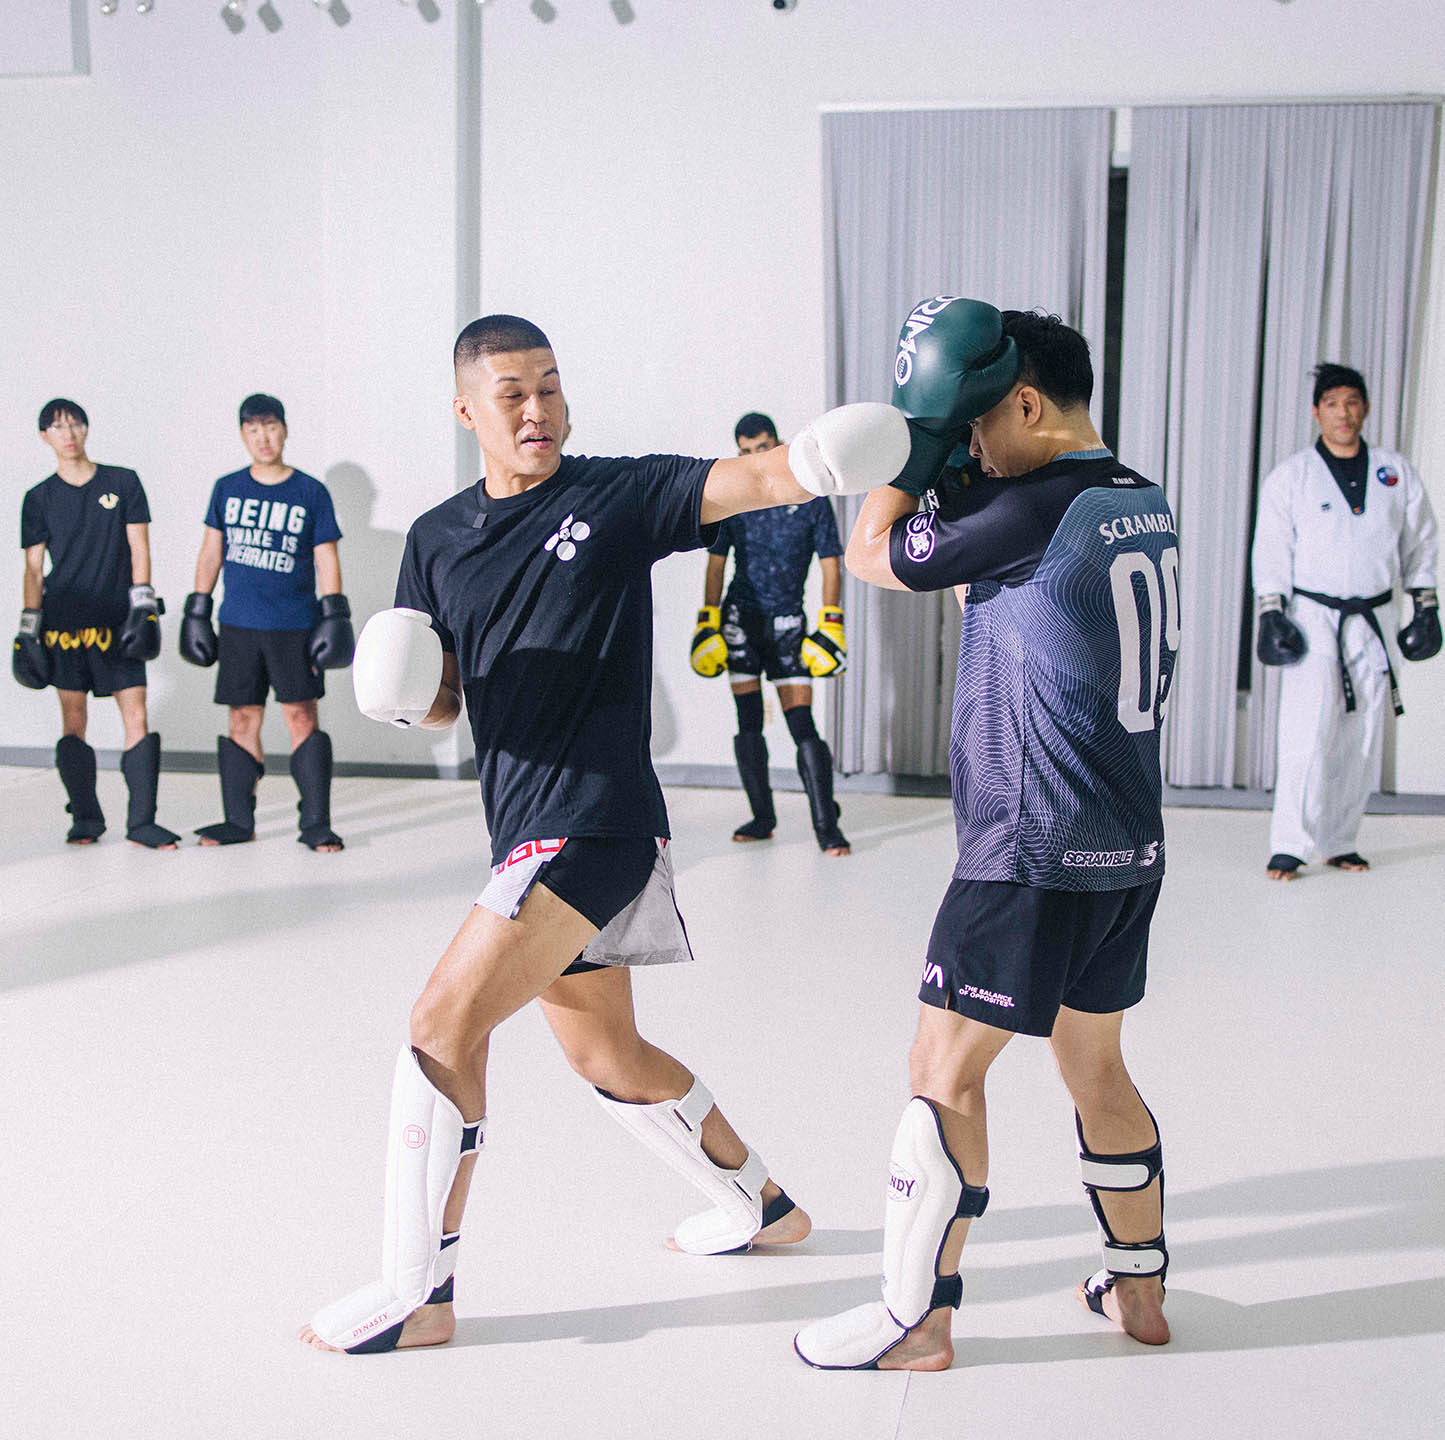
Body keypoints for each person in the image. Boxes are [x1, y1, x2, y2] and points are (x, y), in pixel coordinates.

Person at [298, 313, 909, 1354]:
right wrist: (406, 698)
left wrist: (824, 459)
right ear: (466, 412)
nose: (535, 409)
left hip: (594, 822)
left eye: (548, 386)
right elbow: (444, 703)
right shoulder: (437, 541)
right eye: (510, 394)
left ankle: (418, 1294)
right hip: (523, 828)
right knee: (607, 1053)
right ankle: (759, 1207)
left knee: (441, 1024)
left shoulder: (615, 497)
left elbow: (753, 482)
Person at [794, 300, 1180, 1372]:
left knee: (941, 1068)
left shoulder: (1032, 507)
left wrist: (917, 443)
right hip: (1125, 845)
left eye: (978, 423)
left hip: (1026, 846)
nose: (971, 445)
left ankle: (915, 1322)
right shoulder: (1134, 496)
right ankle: (1138, 1289)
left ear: (1027, 403)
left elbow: (870, 550)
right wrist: (964, 461)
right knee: (1095, 1068)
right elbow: (1005, 586)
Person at [1252, 363, 1439, 881]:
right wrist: (1271, 611)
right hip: (1313, 618)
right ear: (1317, 412)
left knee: (1364, 735)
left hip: (1375, 617)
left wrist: (1425, 604)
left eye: (1352, 402)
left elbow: (1421, 541)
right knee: (1306, 733)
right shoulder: (1292, 476)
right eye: (1332, 403)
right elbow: (1272, 547)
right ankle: (1289, 844)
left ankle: (1340, 840)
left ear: (1366, 408)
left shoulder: (1394, 473)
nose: (1343, 413)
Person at [179, 394, 354, 851]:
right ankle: (239, 822)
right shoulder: (227, 487)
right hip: (238, 624)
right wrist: (197, 608)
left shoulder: (310, 491)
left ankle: (315, 824)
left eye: (271, 427)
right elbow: (212, 551)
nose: (263, 437)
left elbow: (326, 556)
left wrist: (334, 613)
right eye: (253, 429)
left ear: (284, 430)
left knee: (301, 717)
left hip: (294, 624)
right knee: (242, 719)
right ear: (243, 434)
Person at [13, 398, 179, 849]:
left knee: (137, 715)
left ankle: (142, 823)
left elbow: (140, 547)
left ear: (86, 428)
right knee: (74, 719)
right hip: (65, 623)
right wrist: (29, 628)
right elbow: (33, 569)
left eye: (74, 424)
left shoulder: (122, 482)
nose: (67, 434)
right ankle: (85, 818)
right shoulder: (39, 498)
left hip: (119, 620)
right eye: (57, 427)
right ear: (45, 436)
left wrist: (143, 605)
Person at [691, 411, 850, 854]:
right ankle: (763, 818)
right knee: (748, 723)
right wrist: (707, 620)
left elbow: (831, 565)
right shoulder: (734, 500)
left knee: (802, 723)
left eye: (762, 448)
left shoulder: (811, 495)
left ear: (778, 445)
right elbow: (716, 564)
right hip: (739, 621)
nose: (754, 457)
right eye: (745, 451)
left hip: (787, 626)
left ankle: (827, 826)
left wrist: (831, 622)